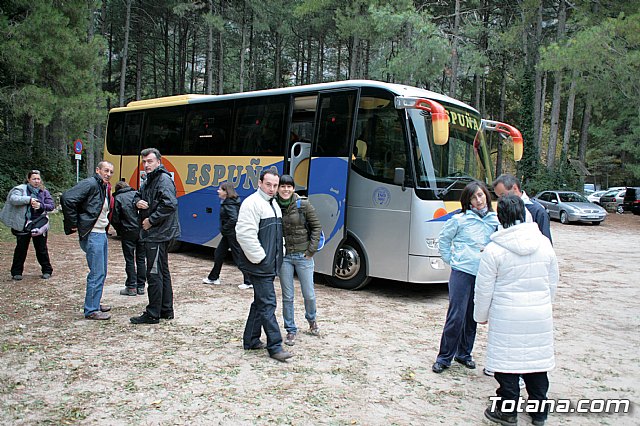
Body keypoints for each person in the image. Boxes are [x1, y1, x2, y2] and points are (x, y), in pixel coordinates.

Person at [474, 195, 559, 426]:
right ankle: (539, 412)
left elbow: (483, 289)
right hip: (538, 314)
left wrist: (480, 315)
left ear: (500, 216)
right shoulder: (544, 243)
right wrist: (545, 304)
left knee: (506, 364)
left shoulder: (494, 249)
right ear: (523, 213)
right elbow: (552, 280)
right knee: (537, 363)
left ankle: (507, 411)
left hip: (506, 315)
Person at [432, 181, 499, 374]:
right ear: (468, 201)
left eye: (480, 195)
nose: (478, 200)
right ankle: (444, 357)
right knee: (456, 316)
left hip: (483, 275)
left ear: (486, 195)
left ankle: (464, 353)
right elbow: (444, 240)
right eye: (473, 197)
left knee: (473, 316)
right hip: (462, 273)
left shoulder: (495, 221)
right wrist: (452, 260)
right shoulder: (459, 220)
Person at [235, 168, 292, 362]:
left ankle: (251, 340)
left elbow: (277, 235)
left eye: (275, 185)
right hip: (260, 265)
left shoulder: (273, 204)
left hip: (267, 264)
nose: (272, 188)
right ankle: (275, 346)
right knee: (268, 303)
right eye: (268, 184)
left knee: (260, 302)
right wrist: (260, 258)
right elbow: (245, 234)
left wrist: (279, 253)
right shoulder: (252, 203)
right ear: (259, 183)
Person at [130, 148, 181, 325]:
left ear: (158, 162)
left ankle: (153, 313)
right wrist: (137, 201)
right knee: (162, 271)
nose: (146, 165)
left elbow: (170, 204)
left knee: (154, 273)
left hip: (158, 233)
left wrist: (151, 220)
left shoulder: (163, 179)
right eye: (144, 162)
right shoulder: (149, 179)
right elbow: (137, 195)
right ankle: (166, 309)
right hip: (157, 233)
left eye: (150, 161)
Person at [61, 161, 115, 320]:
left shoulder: (102, 186)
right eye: (106, 170)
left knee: (101, 272)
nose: (108, 174)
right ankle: (91, 309)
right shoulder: (90, 183)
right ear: (98, 170)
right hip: (93, 234)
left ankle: (95, 303)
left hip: (101, 233)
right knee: (97, 272)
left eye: (111, 172)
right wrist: (73, 223)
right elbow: (67, 198)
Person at [275, 174, 322, 346]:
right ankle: (290, 329)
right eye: (282, 186)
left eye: (289, 186)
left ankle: (311, 319)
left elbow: (316, 227)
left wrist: (311, 251)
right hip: (285, 257)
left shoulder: (303, 204)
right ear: (278, 188)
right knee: (288, 296)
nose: (285, 189)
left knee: (308, 293)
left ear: (293, 188)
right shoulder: (273, 205)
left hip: (303, 256)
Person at [0, 170, 54, 281]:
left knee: (41, 249)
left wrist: (41, 206)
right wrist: (29, 200)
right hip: (23, 224)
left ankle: (47, 270)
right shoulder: (21, 189)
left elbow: (51, 206)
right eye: (34, 179)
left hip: (39, 224)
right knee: (21, 249)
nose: (36, 181)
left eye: (38, 179)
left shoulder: (44, 192)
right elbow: (13, 199)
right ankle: (16, 272)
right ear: (29, 179)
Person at [202, 181, 253, 289]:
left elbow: (234, 219)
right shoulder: (231, 202)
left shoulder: (229, 204)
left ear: (226, 192)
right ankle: (213, 277)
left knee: (238, 257)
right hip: (229, 233)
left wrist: (224, 228)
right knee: (219, 253)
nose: (218, 191)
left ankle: (249, 281)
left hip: (231, 234)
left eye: (220, 189)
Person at [492, 174, 552, 243]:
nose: (500, 199)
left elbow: (546, 242)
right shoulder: (502, 209)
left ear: (515, 188)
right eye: (498, 196)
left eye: (502, 195)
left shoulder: (537, 210)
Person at [111, 180, 146, 296]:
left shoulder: (118, 198)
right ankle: (141, 286)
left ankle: (131, 286)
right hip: (141, 230)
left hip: (127, 231)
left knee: (130, 259)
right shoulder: (137, 194)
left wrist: (120, 230)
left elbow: (115, 218)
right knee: (141, 259)